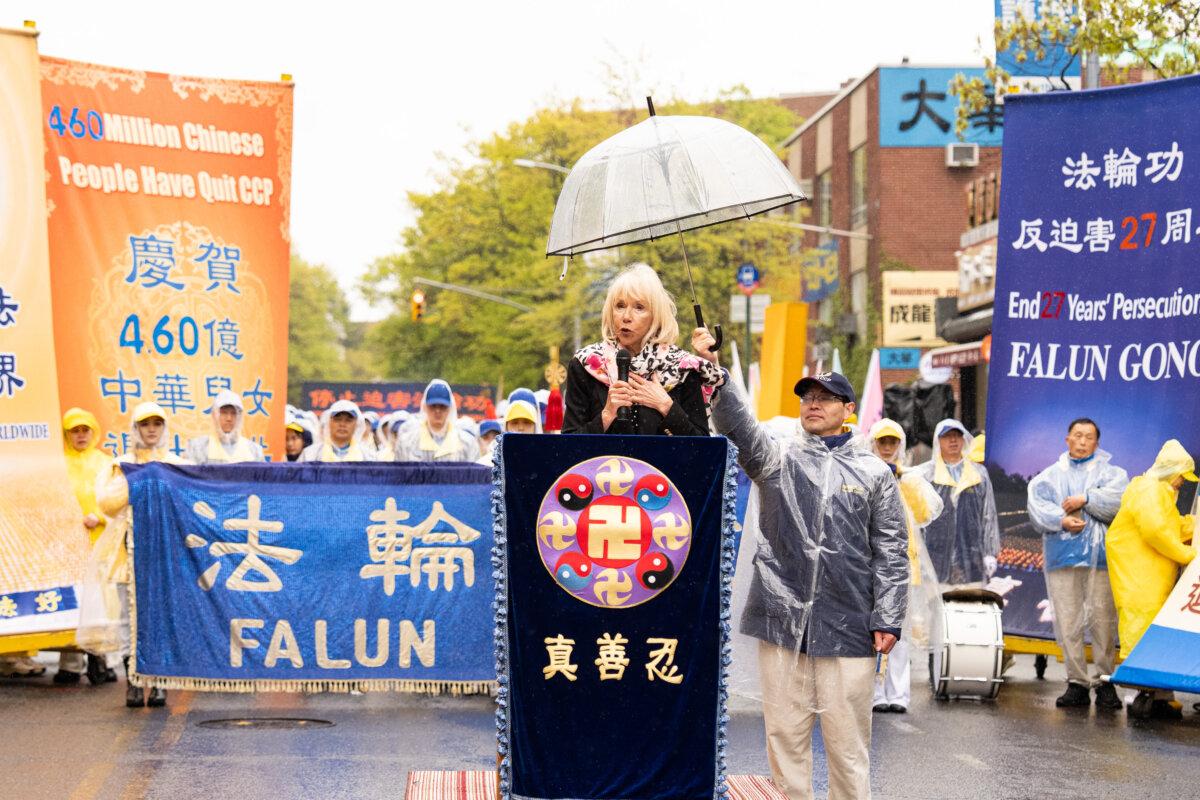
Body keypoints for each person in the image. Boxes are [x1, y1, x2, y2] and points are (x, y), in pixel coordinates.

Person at [694, 328, 907, 800]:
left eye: (827, 397)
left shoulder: (874, 473)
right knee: (785, 737)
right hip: (781, 620)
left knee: (847, 743)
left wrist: (888, 617)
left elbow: (892, 550)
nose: (814, 403)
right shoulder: (776, 459)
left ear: (848, 410)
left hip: (849, 624)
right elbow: (738, 426)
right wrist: (716, 373)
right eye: (808, 396)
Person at [1026, 418, 1128, 710]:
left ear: (1097, 443)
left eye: (1089, 437)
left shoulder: (1113, 474)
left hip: (1102, 559)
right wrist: (1061, 521)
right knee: (1068, 622)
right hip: (1063, 558)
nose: (1083, 441)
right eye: (1078, 435)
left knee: (1104, 623)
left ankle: (1105, 682)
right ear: (1067, 439)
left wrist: (1086, 498)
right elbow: (1037, 507)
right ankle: (1077, 683)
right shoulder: (1049, 476)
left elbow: (1121, 502)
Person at [97, 401, 189, 708]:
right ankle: (134, 684)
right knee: (127, 620)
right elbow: (106, 503)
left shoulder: (177, 463)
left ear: (164, 429)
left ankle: (158, 683)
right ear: (135, 429)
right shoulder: (121, 463)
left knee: (161, 618)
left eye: (157, 424)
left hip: (164, 555)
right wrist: (137, 479)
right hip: (129, 553)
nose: (151, 430)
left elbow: (186, 504)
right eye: (145, 424)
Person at [563, 263, 720, 436]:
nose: (626, 317)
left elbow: (702, 451)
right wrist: (607, 415)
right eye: (620, 306)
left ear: (656, 316)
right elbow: (568, 447)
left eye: (639, 307)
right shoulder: (586, 364)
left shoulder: (683, 368)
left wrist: (666, 406)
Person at [1106, 439, 1198, 720]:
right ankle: (1140, 696)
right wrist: (1188, 554)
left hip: (1149, 579)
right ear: (1173, 472)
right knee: (1140, 633)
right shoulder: (1149, 491)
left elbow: (1171, 525)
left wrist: (1194, 524)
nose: (1183, 482)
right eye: (1183, 476)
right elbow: (1157, 532)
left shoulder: (1158, 491)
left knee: (1150, 633)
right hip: (1139, 580)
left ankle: (1158, 696)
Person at [867, 418, 942, 715]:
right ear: (873, 444)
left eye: (892, 442)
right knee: (870, 632)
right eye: (882, 442)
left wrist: (903, 480)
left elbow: (925, 513)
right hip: (870, 564)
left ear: (900, 445)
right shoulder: (862, 472)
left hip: (904, 566)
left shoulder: (910, 477)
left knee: (900, 633)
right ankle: (873, 692)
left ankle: (898, 693)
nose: (887, 448)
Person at [54, 408, 117, 684]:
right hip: (66, 547)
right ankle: (70, 663)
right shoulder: (56, 464)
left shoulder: (106, 464)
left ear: (93, 432)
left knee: (101, 602)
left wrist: (100, 518)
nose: (80, 436)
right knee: (71, 601)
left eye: (85, 430)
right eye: (74, 431)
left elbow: (118, 502)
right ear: (66, 434)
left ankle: (102, 660)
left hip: (101, 542)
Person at [913, 419, 1000, 588]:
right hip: (935, 562)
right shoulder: (925, 475)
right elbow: (918, 520)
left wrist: (990, 553)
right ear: (938, 441)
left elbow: (988, 515)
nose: (953, 440)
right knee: (937, 611)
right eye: (947, 436)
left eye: (957, 436)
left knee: (970, 610)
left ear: (963, 439)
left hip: (972, 560)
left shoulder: (979, 474)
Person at [393, 379, 479, 462]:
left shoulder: (467, 443)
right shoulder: (407, 443)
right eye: (433, 406)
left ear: (450, 408)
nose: (437, 411)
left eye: (442, 406)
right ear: (425, 407)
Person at [185, 390, 265, 463]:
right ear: (214, 415)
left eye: (233, 413)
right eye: (224, 413)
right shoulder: (197, 448)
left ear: (239, 417)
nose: (229, 418)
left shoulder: (254, 451)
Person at [299, 399, 377, 462]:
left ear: (356, 424)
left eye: (348, 420)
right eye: (337, 419)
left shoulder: (368, 457)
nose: (342, 424)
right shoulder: (310, 455)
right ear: (329, 422)